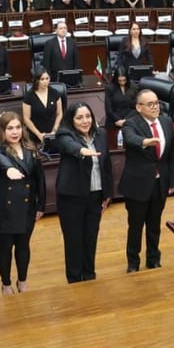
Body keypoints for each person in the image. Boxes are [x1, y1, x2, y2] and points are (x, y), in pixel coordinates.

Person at [0, 111, 45, 294]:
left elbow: (39, 179)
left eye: (18, 127)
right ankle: (6, 283)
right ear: (2, 130)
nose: (15, 132)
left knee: (23, 246)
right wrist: (9, 167)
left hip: (27, 207)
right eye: (10, 128)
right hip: (3, 209)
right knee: (4, 248)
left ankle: (22, 280)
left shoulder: (30, 148)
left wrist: (41, 205)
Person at [120, 88, 174, 272]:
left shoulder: (167, 122)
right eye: (150, 104)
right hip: (138, 185)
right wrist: (144, 142)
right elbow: (130, 139)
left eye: (157, 103)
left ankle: (153, 259)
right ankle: (133, 263)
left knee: (154, 225)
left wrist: (172, 182)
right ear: (139, 107)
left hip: (160, 184)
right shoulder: (131, 123)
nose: (155, 107)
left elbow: (171, 156)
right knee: (135, 227)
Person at [55, 102, 113, 283]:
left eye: (88, 116)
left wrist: (107, 194)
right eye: (79, 117)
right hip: (71, 197)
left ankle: (89, 274)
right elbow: (69, 146)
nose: (85, 121)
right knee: (73, 239)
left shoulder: (101, 135)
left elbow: (107, 165)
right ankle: (74, 277)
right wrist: (83, 151)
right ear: (71, 120)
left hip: (95, 195)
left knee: (90, 236)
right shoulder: (64, 134)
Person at [22, 68, 63, 146]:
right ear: (36, 80)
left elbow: (59, 113)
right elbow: (26, 119)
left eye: (47, 78)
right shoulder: (29, 96)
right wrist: (39, 134)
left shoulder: (54, 93)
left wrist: (54, 130)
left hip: (53, 133)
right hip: (35, 136)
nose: (45, 81)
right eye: (42, 79)